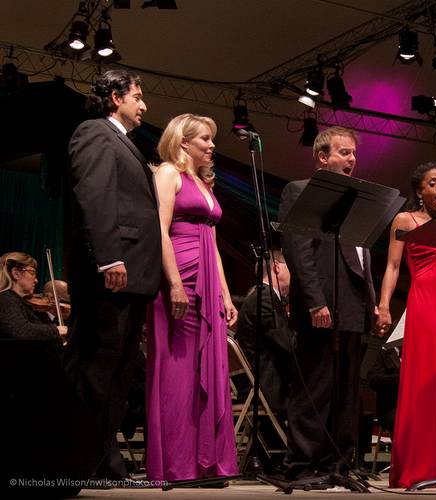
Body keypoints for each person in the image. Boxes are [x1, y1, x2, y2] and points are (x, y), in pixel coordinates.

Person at [65, 69, 161, 480]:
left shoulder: (124, 141)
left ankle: (103, 459)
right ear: (114, 97)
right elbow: (95, 195)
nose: (144, 105)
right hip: (111, 273)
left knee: (119, 375)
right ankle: (77, 459)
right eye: (137, 96)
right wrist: (109, 258)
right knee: (97, 369)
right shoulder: (94, 132)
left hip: (134, 276)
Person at [279, 126, 377, 482]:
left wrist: (373, 304)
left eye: (353, 153)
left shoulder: (358, 198)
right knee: (316, 387)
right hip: (321, 303)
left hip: (352, 304)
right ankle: (303, 464)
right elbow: (298, 249)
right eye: (343, 152)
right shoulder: (300, 191)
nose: (351, 159)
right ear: (322, 157)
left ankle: (339, 464)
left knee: (347, 392)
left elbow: (363, 256)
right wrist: (315, 302)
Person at [145, 113, 238, 483]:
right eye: (204, 139)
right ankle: (175, 464)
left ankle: (206, 462)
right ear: (183, 142)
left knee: (209, 371)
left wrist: (226, 295)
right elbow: (160, 230)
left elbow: (212, 245)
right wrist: (174, 284)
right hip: (179, 278)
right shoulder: (167, 173)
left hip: (207, 283)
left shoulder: (202, 182)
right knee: (178, 373)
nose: (212, 145)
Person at [376, 161, 436, 488]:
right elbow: (392, 266)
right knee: (424, 382)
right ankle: (420, 467)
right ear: (419, 190)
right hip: (424, 304)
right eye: (433, 183)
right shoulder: (405, 219)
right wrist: (384, 305)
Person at [235, 248, 295, 413]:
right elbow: (289, 345)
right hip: (267, 388)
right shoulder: (265, 298)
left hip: (262, 383)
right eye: (290, 267)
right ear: (277, 266)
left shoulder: (263, 295)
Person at [0, 252, 66, 341]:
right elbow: (21, 331)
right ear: (16, 274)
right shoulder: (5, 299)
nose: (36, 280)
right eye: (32, 272)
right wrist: (56, 330)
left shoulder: (25, 303)